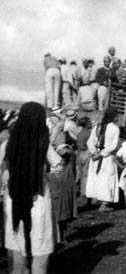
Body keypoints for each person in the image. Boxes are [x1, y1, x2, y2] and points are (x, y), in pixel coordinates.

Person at [0, 102, 60, 274]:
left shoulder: (8, 145)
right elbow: (57, 164)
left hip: (14, 199)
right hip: (38, 199)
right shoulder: (43, 145)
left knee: (17, 246)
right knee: (39, 249)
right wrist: (43, 175)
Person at [86, 106, 121, 212]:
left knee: (97, 177)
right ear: (114, 116)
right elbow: (113, 146)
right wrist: (101, 154)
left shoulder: (97, 127)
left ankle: (96, 200)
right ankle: (104, 205)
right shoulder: (115, 128)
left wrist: (93, 152)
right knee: (106, 179)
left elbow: (90, 141)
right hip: (106, 158)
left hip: (96, 157)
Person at [75, 117, 92, 206]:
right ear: (86, 124)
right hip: (86, 153)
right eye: (89, 122)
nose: (91, 123)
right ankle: (85, 193)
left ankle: (81, 191)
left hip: (79, 153)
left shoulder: (79, 134)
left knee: (81, 174)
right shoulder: (88, 134)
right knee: (86, 175)